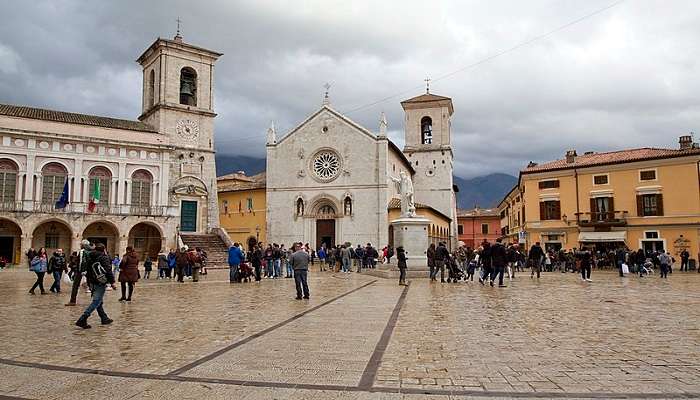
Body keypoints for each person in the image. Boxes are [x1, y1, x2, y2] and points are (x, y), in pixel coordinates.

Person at [75, 243, 116, 329]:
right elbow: (108, 271)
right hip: (100, 282)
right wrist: (112, 282)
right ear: (104, 249)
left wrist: (89, 282)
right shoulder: (104, 257)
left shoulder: (89, 256)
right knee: (96, 301)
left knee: (99, 301)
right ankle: (83, 319)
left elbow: (87, 269)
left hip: (91, 281)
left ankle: (104, 318)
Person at [65, 240, 93, 306]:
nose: (80, 245)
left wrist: (82, 270)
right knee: (91, 285)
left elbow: (82, 262)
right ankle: (97, 300)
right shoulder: (91, 251)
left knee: (75, 286)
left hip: (80, 271)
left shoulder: (82, 251)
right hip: (89, 270)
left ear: (83, 245)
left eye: (81, 244)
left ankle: (72, 301)